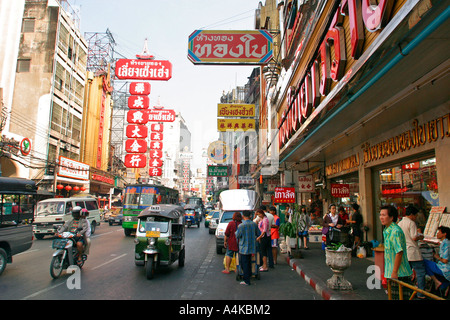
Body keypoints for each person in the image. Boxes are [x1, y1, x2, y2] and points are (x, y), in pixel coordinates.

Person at [397, 205, 426, 299]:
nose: (416, 217)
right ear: (412, 215)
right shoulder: (412, 223)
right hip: (413, 252)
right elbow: (414, 237)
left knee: (406, 274)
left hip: (404, 252)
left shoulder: (400, 223)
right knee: (420, 272)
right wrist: (421, 236)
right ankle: (420, 293)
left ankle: (406, 292)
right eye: (416, 215)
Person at [379, 205, 412, 281]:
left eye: (384, 215)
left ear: (391, 217)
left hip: (400, 274)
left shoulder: (395, 231)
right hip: (390, 273)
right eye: (380, 215)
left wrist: (394, 272)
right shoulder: (387, 230)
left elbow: (399, 252)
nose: (381, 217)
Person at [423, 226, 450, 293]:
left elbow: (445, 260)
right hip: (444, 268)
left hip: (445, 269)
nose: (437, 234)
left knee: (424, 262)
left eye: (439, 232)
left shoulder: (446, 243)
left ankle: (436, 281)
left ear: (444, 234)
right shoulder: (445, 243)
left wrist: (436, 256)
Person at [235, 210, 258, 286]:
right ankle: (249, 275)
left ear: (243, 216)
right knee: (249, 262)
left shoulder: (241, 226)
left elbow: (237, 235)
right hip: (252, 247)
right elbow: (258, 233)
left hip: (243, 248)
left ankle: (246, 280)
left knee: (244, 264)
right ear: (250, 216)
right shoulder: (254, 224)